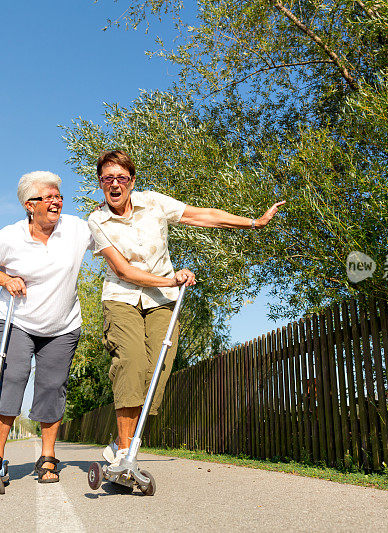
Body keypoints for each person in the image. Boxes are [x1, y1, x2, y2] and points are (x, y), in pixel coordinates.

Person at [87, 149, 285, 464]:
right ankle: (126, 451)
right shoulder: (97, 220)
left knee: (158, 373)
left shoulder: (153, 202)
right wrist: (172, 280)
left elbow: (200, 215)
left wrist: (253, 222)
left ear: (132, 181)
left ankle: (118, 443)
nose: (114, 184)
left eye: (121, 178)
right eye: (107, 178)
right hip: (122, 297)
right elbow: (123, 270)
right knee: (131, 362)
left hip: (161, 302)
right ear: (100, 182)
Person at [0, 171, 93, 483]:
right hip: (15, 320)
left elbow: (113, 237)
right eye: (47, 197)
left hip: (61, 325)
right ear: (28, 205)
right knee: (13, 378)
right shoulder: (10, 237)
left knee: (52, 386)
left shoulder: (76, 229)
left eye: (57, 196)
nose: (55, 201)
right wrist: (6, 278)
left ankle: (48, 457)